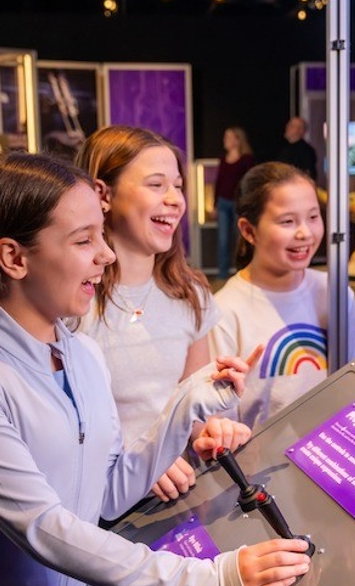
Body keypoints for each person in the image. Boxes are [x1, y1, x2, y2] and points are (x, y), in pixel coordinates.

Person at [0, 152, 311, 586]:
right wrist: (211, 581)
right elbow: (45, 529)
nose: (106, 256)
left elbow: (104, 493)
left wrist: (185, 408)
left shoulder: (80, 352)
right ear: (14, 257)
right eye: (84, 240)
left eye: (101, 235)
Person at [76, 126, 246, 505]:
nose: (175, 200)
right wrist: (139, 463)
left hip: (177, 498)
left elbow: (191, 399)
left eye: (178, 185)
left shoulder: (191, 293)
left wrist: (210, 429)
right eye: (156, 185)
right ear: (103, 194)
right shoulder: (73, 300)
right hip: (99, 507)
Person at [210, 161, 355, 428]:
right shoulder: (224, 312)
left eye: (313, 217)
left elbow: (353, 385)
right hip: (258, 465)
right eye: (288, 221)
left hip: (331, 457)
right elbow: (220, 422)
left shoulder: (336, 295)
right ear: (248, 230)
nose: (305, 233)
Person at [214, 127, 255, 278]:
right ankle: (222, 275)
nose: (225, 140)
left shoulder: (246, 159)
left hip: (238, 205)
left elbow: (249, 183)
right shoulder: (223, 159)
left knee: (241, 240)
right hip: (223, 203)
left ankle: (242, 272)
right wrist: (214, 204)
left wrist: (246, 204)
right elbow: (219, 182)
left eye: (229, 137)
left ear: (237, 140)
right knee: (223, 240)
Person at [275, 116, 318, 183]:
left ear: (301, 130)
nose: (287, 128)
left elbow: (306, 175)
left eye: (292, 126)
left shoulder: (306, 151)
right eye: (288, 125)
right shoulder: (285, 148)